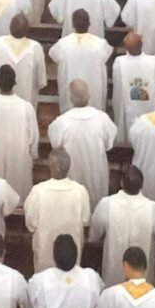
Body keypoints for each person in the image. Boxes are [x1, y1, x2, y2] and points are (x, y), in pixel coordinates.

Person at [0, 65, 41, 200]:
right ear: (14, 83)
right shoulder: (26, 108)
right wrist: (31, 157)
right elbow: (34, 140)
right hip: (19, 166)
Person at [46, 83, 115, 214]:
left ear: (70, 99)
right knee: (96, 211)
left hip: (73, 176)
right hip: (96, 174)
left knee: (74, 213)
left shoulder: (62, 122)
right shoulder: (102, 119)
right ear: (89, 96)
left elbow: (55, 145)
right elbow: (109, 145)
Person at [90, 165, 155, 289]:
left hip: (113, 278)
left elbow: (94, 236)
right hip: (143, 280)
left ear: (121, 183)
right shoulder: (153, 209)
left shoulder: (106, 204)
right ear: (142, 185)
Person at [23, 150, 92, 272]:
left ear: (49, 166)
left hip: (45, 252)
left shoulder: (39, 191)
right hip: (71, 255)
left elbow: (30, 223)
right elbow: (86, 220)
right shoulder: (80, 191)